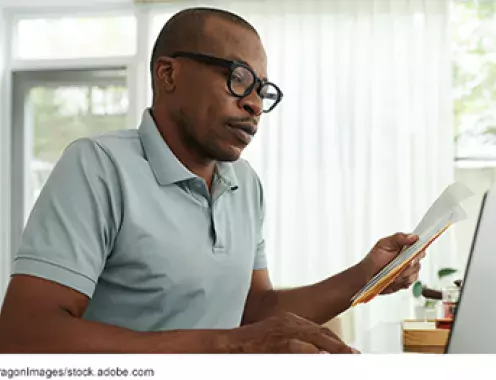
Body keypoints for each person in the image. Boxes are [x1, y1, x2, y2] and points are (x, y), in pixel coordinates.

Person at [0, 7, 424, 354]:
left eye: (262, 89)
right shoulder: (98, 166)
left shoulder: (245, 184)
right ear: (168, 75)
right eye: (238, 78)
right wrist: (224, 345)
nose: (255, 104)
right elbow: (24, 335)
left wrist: (365, 276)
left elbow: (254, 309)